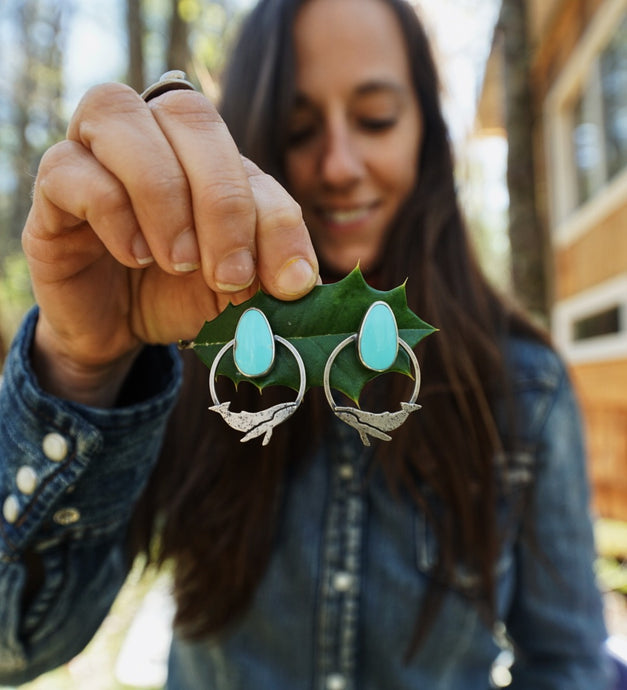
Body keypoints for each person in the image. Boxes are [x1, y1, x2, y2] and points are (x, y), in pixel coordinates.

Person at [0, 0, 615, 687]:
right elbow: (16, 644)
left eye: (376, 118)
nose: (339, 164)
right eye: (298, 127)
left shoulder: (522, 390)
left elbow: (568, 664)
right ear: (256, 136)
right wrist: (84, 365)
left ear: (426, 133)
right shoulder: (177, 363)